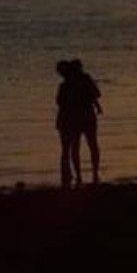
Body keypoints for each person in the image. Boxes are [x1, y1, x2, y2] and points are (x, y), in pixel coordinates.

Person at [55, 59, 102, 187]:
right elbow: (96, 94)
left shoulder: (66, 85)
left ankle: (82, 175)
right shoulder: (80, 81)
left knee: (78, 147)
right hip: (84, 117)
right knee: (89, 145)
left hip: (77, 118)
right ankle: (93, 174)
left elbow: (60, 103)